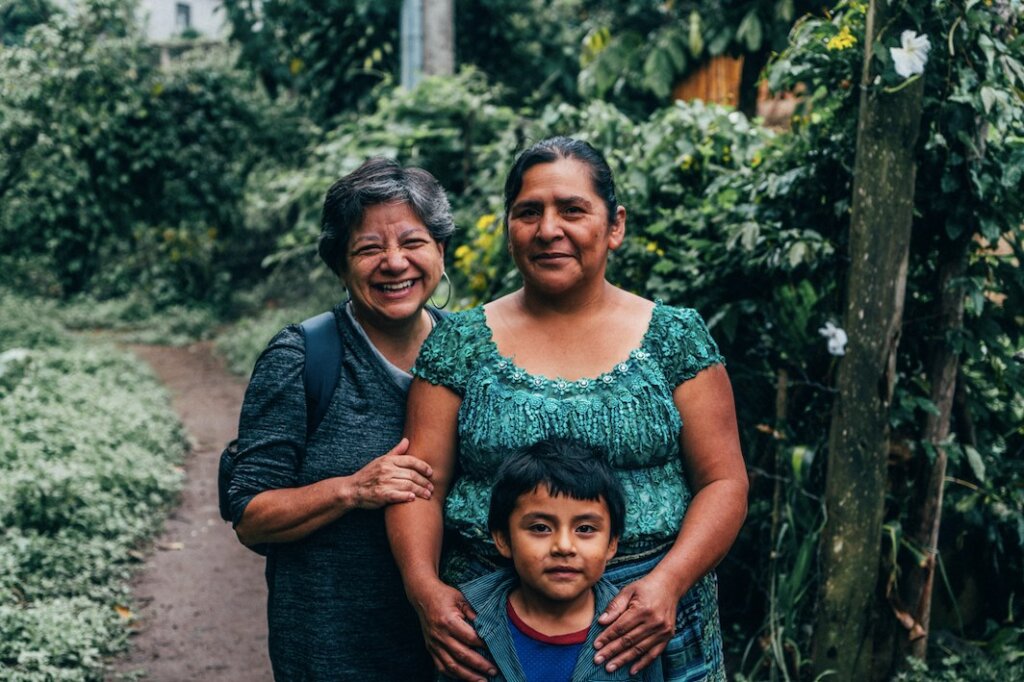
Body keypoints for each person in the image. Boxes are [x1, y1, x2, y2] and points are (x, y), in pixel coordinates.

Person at [386, 137, 748, 682]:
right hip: (491, 629)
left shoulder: (675, 340)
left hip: (651, 622)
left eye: (572, 210)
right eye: (528, 212)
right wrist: (424, 590)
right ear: (509, 227)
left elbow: (724, 482)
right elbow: (421, 484)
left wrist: (669, 584)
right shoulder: (458, 343)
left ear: (615, 224)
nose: (548, 229)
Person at [225, 157, 454, 680]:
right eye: (369, 248)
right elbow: (250, 516)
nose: (394, 263)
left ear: (440, 250)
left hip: (451, 650)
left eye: (412, 243)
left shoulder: (470, 351)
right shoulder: (303, 357)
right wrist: (353, 489)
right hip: (331, 654)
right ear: (340, 263)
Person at [457, 439, 663, 682]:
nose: (564, 547)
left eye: (585, 528)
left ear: (611, 544)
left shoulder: (634, 629)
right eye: (541, 527)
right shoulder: (468, 621)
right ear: (503, 539)